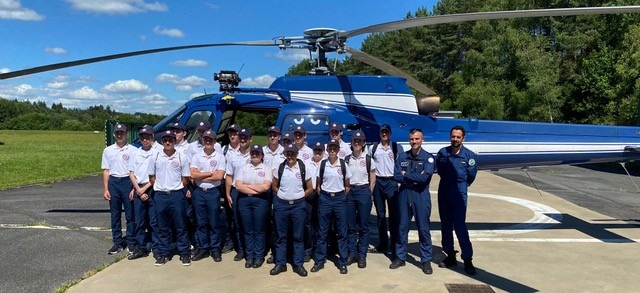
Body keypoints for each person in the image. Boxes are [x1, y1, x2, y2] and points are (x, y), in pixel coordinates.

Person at [390, 128, 435, 275]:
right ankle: (400, 256)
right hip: (404, 194)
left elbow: (425, 179)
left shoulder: (428, 158)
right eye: (412, 139)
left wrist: (407, 175)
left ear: (422, 140)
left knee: (423, 228)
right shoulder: (402, 156)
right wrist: (412, 178)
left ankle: (426, 260)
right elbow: (396, 176)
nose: (414, 142)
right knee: (402, 227)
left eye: (417, 139)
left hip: (420, 195)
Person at [436, 125, 478, 275]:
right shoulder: (442, 153)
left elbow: (471, 175)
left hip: (459, 190)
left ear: (463, 138)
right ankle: (450, 255)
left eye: (458, 137)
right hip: (444, 189)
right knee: (445, 224)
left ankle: (467, 259)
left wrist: (462, 186)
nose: (455, 139)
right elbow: (439, 169)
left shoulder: (469, 156)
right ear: (450, 137)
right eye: (453, 136)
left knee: (460, 225)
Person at [148, 130, 192, 266]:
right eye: (165, 140)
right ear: (162, 142)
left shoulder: (181, 157)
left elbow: (185, 179)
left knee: (181, 226)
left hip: (177, 195)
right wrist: (162, 187)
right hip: (160, 195)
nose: (168, 142)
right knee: (162, 227)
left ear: (174, 142)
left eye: (171, 140)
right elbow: (151, 177)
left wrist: (175, 187)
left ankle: (184, 253)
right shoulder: (155, 157)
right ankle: (163, 254)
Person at [270, 144, 313, 277]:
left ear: (297, 154)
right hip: (282, 205)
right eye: (288, 153)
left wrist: (299, 197)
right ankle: (280, 263)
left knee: (298, 236)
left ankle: (298, 264)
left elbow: (310, 188)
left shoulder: (303, 167)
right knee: (281, 236)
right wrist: (282, 195)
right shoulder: (280, 167)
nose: (290, 156)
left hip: (298, 206)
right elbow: (274, 185)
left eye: (292, 153)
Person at [311, 139, 351, 275]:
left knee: (342, 231)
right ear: (327, 150)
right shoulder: (322, 164)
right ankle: (320, 260)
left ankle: (343, 261)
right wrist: (323, 196)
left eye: (335, 148)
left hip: (339, 198)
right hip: (325, 198)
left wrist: (339, 195)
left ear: (338, 150)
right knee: (322, 232)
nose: (332, 150)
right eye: (330, 148)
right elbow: (318, 185)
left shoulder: (344, 165)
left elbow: (347, 185)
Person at [189, 130, 226, 263]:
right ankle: (203, 247)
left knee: (214, 221)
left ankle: (215, 248)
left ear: (215, 141)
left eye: (211, 139)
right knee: (200, 222)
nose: (208, 142)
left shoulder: (220, 157)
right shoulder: (197, 156)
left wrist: (202, 175)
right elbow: (192, 175)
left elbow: (220, 176)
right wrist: (211, 173)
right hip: (199, 192)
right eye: (206, 139)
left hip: (213, 192)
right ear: (203, 141)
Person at [101, 123, 136, 255]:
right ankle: (117, 242)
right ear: (114, 134)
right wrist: (106, 189)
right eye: (117, 133)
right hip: (114, 182)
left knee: (130, 215)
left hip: (128, 181)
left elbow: (135, 171)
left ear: (126, 134)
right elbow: (106, 170)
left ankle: (131, 241)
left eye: (122, 133)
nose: (120, 135)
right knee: (115, 214)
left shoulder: (133, 150)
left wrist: (133, 188)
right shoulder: (108, 150)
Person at [235, 144, 272, 269]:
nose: (255, 155)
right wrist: (256, 187)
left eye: (257, 153)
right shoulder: (244, 167)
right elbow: (238, 185)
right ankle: (249, 256)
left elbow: (266, 187)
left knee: (259, 229)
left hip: (260, 201)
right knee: (248, 229)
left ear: (262, 155)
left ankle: (259, 256)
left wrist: (248, 185)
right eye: (253, 153)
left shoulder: (266, 169)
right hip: (244, 200)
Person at [369, 124, 401, 254]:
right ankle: (383, 243)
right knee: (380, 215)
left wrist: (399, 181)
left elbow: (400, 165)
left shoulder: (396, 147)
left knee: (393, 215)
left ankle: (394, 245)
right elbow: (369, 166)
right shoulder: (373, 148)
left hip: (391, 182)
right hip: (378, 183)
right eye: (382, 132)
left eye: (386, 132)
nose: (384, 134)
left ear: (390, 133)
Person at [345, 130, 376, 268]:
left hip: (363, 190)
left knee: (363, 226)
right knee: (351, 226)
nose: (357, 143)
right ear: (351, 143)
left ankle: (362, 254)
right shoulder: (347, 159)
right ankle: (352, 252)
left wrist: (369, 192)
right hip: (350, 191)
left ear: (363, 143)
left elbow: (373, 178)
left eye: (359, 141)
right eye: (354, 141)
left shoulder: (368, 159)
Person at [127, 125, 158, 260]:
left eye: (147, 137)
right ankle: (141, 248)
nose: (145, 140)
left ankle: (157, 248)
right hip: (138, 187)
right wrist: (137, 189)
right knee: (139, 221)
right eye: (142, 137)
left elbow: (158, 174)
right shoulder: (136, 153)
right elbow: (131, 173)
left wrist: (144, 189)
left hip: (152, 187)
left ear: (152, 137)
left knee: (154, 221)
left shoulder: (159, 151)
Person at [224, 128, 252, 261]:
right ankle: (241, 249)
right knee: (237, 222)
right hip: (236, 192)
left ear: (250, 139)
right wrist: (228, 194)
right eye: (241, 137)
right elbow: (229, 176)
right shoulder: (233, 156)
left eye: (245, 138)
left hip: (252, 192)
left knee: (252, 223)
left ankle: (252, 249)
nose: (242, 140)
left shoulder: (256, 154)